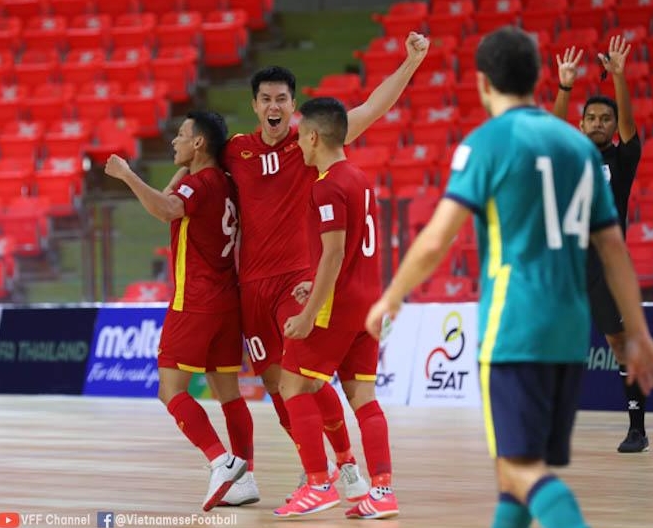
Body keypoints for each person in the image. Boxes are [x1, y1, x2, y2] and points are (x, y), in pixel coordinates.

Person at [365, 26, 653, 528]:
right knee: (516, 477)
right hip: (569, 331)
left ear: (483, 83)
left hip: (517, 324)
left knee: (522, 471)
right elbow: (613, 248)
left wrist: (391, 296)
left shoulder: (490, 142)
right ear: (538, 79)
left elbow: (437, 238)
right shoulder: (579, 155)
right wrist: (637, 330)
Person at [210, 31, 430, 505]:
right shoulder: (235, 152)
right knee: (278, 385)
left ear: (294, 107)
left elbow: (373, 107)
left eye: (283, 99)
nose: (274, 105)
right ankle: (327, 471)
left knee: (303, 381)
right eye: (266, 98)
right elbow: (199, 168)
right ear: (254, 105)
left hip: (301, 280)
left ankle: (341, 469)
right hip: (253, 287)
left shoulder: (310, 142)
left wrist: (409, 64)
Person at [104, 111, 252, 511]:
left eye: (182, 135)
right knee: (229, 395)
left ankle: (221, 462)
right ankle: (246, 476)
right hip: (227, 301)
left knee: (169, 389)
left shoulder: (198, 185)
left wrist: (127, 175)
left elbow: (168, 209)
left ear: (199, 143)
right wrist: (180, 172)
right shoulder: (223, 182)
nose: (174, 141)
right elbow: (176, 196)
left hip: (195, 301)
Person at [270, 97, 397, 519]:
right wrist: (314, 283)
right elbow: (348, 254)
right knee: (363, 395)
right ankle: (381, 492)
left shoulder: (325, 184)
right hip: (368, 302)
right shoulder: (359, 178)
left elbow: (335, 252)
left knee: (294, 387)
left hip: (337, 307)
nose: (299, 145)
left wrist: (309, 313)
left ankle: (318, 484)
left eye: (302, 136)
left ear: (313, 136)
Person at [553, 37, 647, 453]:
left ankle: (637, 428)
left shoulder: (621, 161)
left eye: (605, 119)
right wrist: (565, 87)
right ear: (581, 124)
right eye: (590, 118)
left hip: (607, 269)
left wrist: (621, 77)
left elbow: (629, 125)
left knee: (619, 345)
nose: (598, 123)